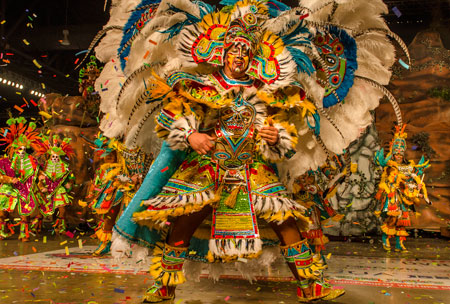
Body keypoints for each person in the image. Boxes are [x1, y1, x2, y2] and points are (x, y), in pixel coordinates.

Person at [88, 0, 407, 302]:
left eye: (245, 50)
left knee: (286, 222)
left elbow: (286, 142)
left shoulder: (268, 92)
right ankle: (164, 290)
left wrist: (274, 136)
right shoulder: (200, 85)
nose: (239, 55)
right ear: (222, 53)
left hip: (254, 170)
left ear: (253, 56)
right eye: (233, 49)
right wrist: (193, 136)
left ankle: (311, 286)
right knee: (182, 225)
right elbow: (175, 120)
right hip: (205, 168)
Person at [81, 134, 152, 256]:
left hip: (140, 188)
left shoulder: (146, 147)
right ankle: (105, 243)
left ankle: (134, 246)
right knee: (109, 216)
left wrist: (141, 179)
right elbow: (113, 170)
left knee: (135, 218)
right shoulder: (118, 147)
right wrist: (127, 179)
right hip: (118, 187)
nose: (108, 157)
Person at [374, 125, 431, 252]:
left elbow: (412, 179)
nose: (399, 155)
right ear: (393, 153)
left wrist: (417, 186)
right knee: (392, 219)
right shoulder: (389, 165)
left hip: (404, 197)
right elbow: (389, 180)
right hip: (393, 196)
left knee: (403, 220)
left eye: (401, 152)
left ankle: (399, 244)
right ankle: (386, 238)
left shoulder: (408, 166)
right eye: (396, 152)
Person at [0, 117, 41, 241]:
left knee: (25, 213)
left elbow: (37, 172)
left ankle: (24, 234)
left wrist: (41, 176)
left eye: (24, 149)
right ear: (14, 148)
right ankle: (2, 231)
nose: (22, 151)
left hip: (25, 188)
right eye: (20, 149)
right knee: (2, 213)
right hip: (8, 188)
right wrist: (9, 180)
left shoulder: (32, 160)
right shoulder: (4, 162)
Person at [34, 135, 75, 235]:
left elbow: (69, 178)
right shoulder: (45, 165)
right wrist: (42, 186)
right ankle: (36, 227)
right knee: (42, 209)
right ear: (50, 156)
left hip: (59, 190)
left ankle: (61, 227)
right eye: (53, 156)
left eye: (57, 157)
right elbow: (39, 179)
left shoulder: (65, 166)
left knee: (62, 210)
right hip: (47, 191)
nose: (55, 158)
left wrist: (69, 183)